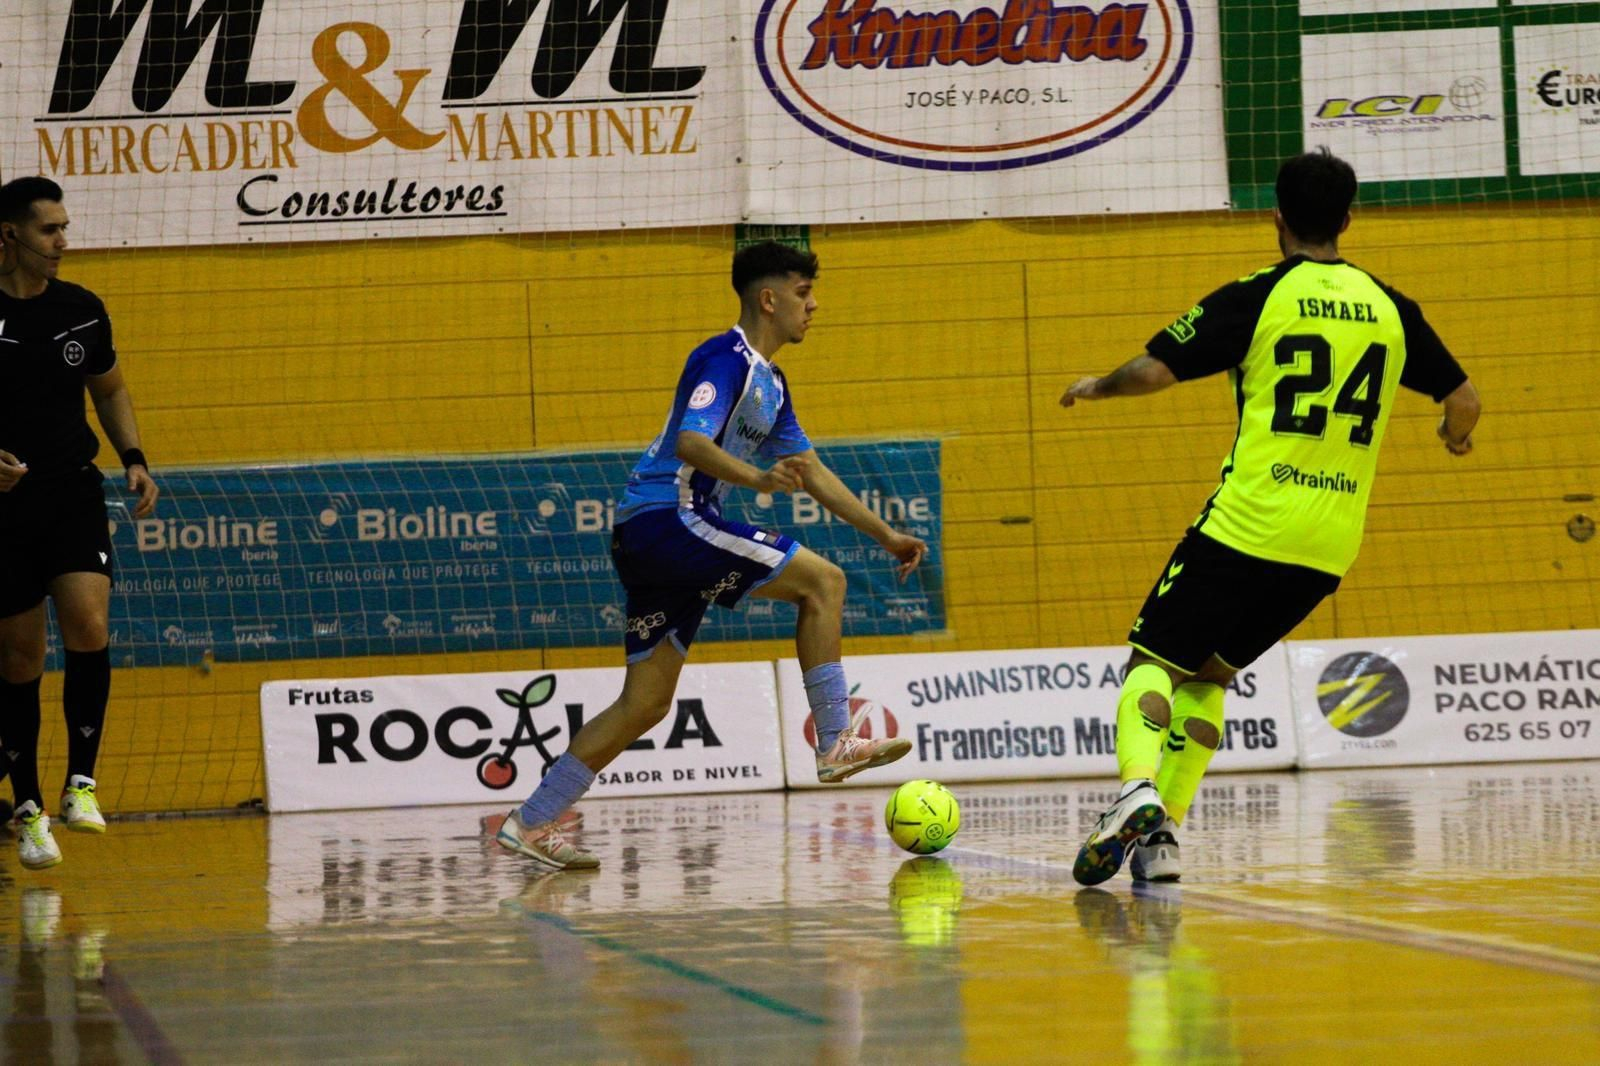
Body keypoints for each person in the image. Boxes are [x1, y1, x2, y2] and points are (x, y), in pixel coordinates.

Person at [1060, 149, 1480, 885]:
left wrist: (1097, 386)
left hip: (1247, 521)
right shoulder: (1391, 308)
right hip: (1328, 543)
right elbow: (1464, 399)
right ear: (1349, 219)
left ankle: (1135, 789)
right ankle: (1162, 846)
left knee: (1153, 662)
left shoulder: (1259, 295)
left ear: (1276, 220)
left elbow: (1153, 371)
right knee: (1212, 677)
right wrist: (1455, 436)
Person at [496, 240, 927, 871]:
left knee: (645, 703)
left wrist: (885, 535)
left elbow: (811, 471)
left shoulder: (772, 383)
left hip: (654, 532)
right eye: (804, 294)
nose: (814, 306)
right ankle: (836, 740)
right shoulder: (723, 358)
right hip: (669, 519)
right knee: (824, 584)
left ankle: (530, 821)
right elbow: (693, 443)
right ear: (769, 298)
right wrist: (756, 482)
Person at [0, 176, 159, 870]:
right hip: (4, 509)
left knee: (89, 625)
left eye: (65, 227)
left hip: (72, 492)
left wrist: (133, 456)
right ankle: (29, 806)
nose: (63, 241)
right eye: (48, 230)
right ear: (10, 235)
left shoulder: (82, 311)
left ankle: (81, 784)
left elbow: (111, 388)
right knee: (21, 657)